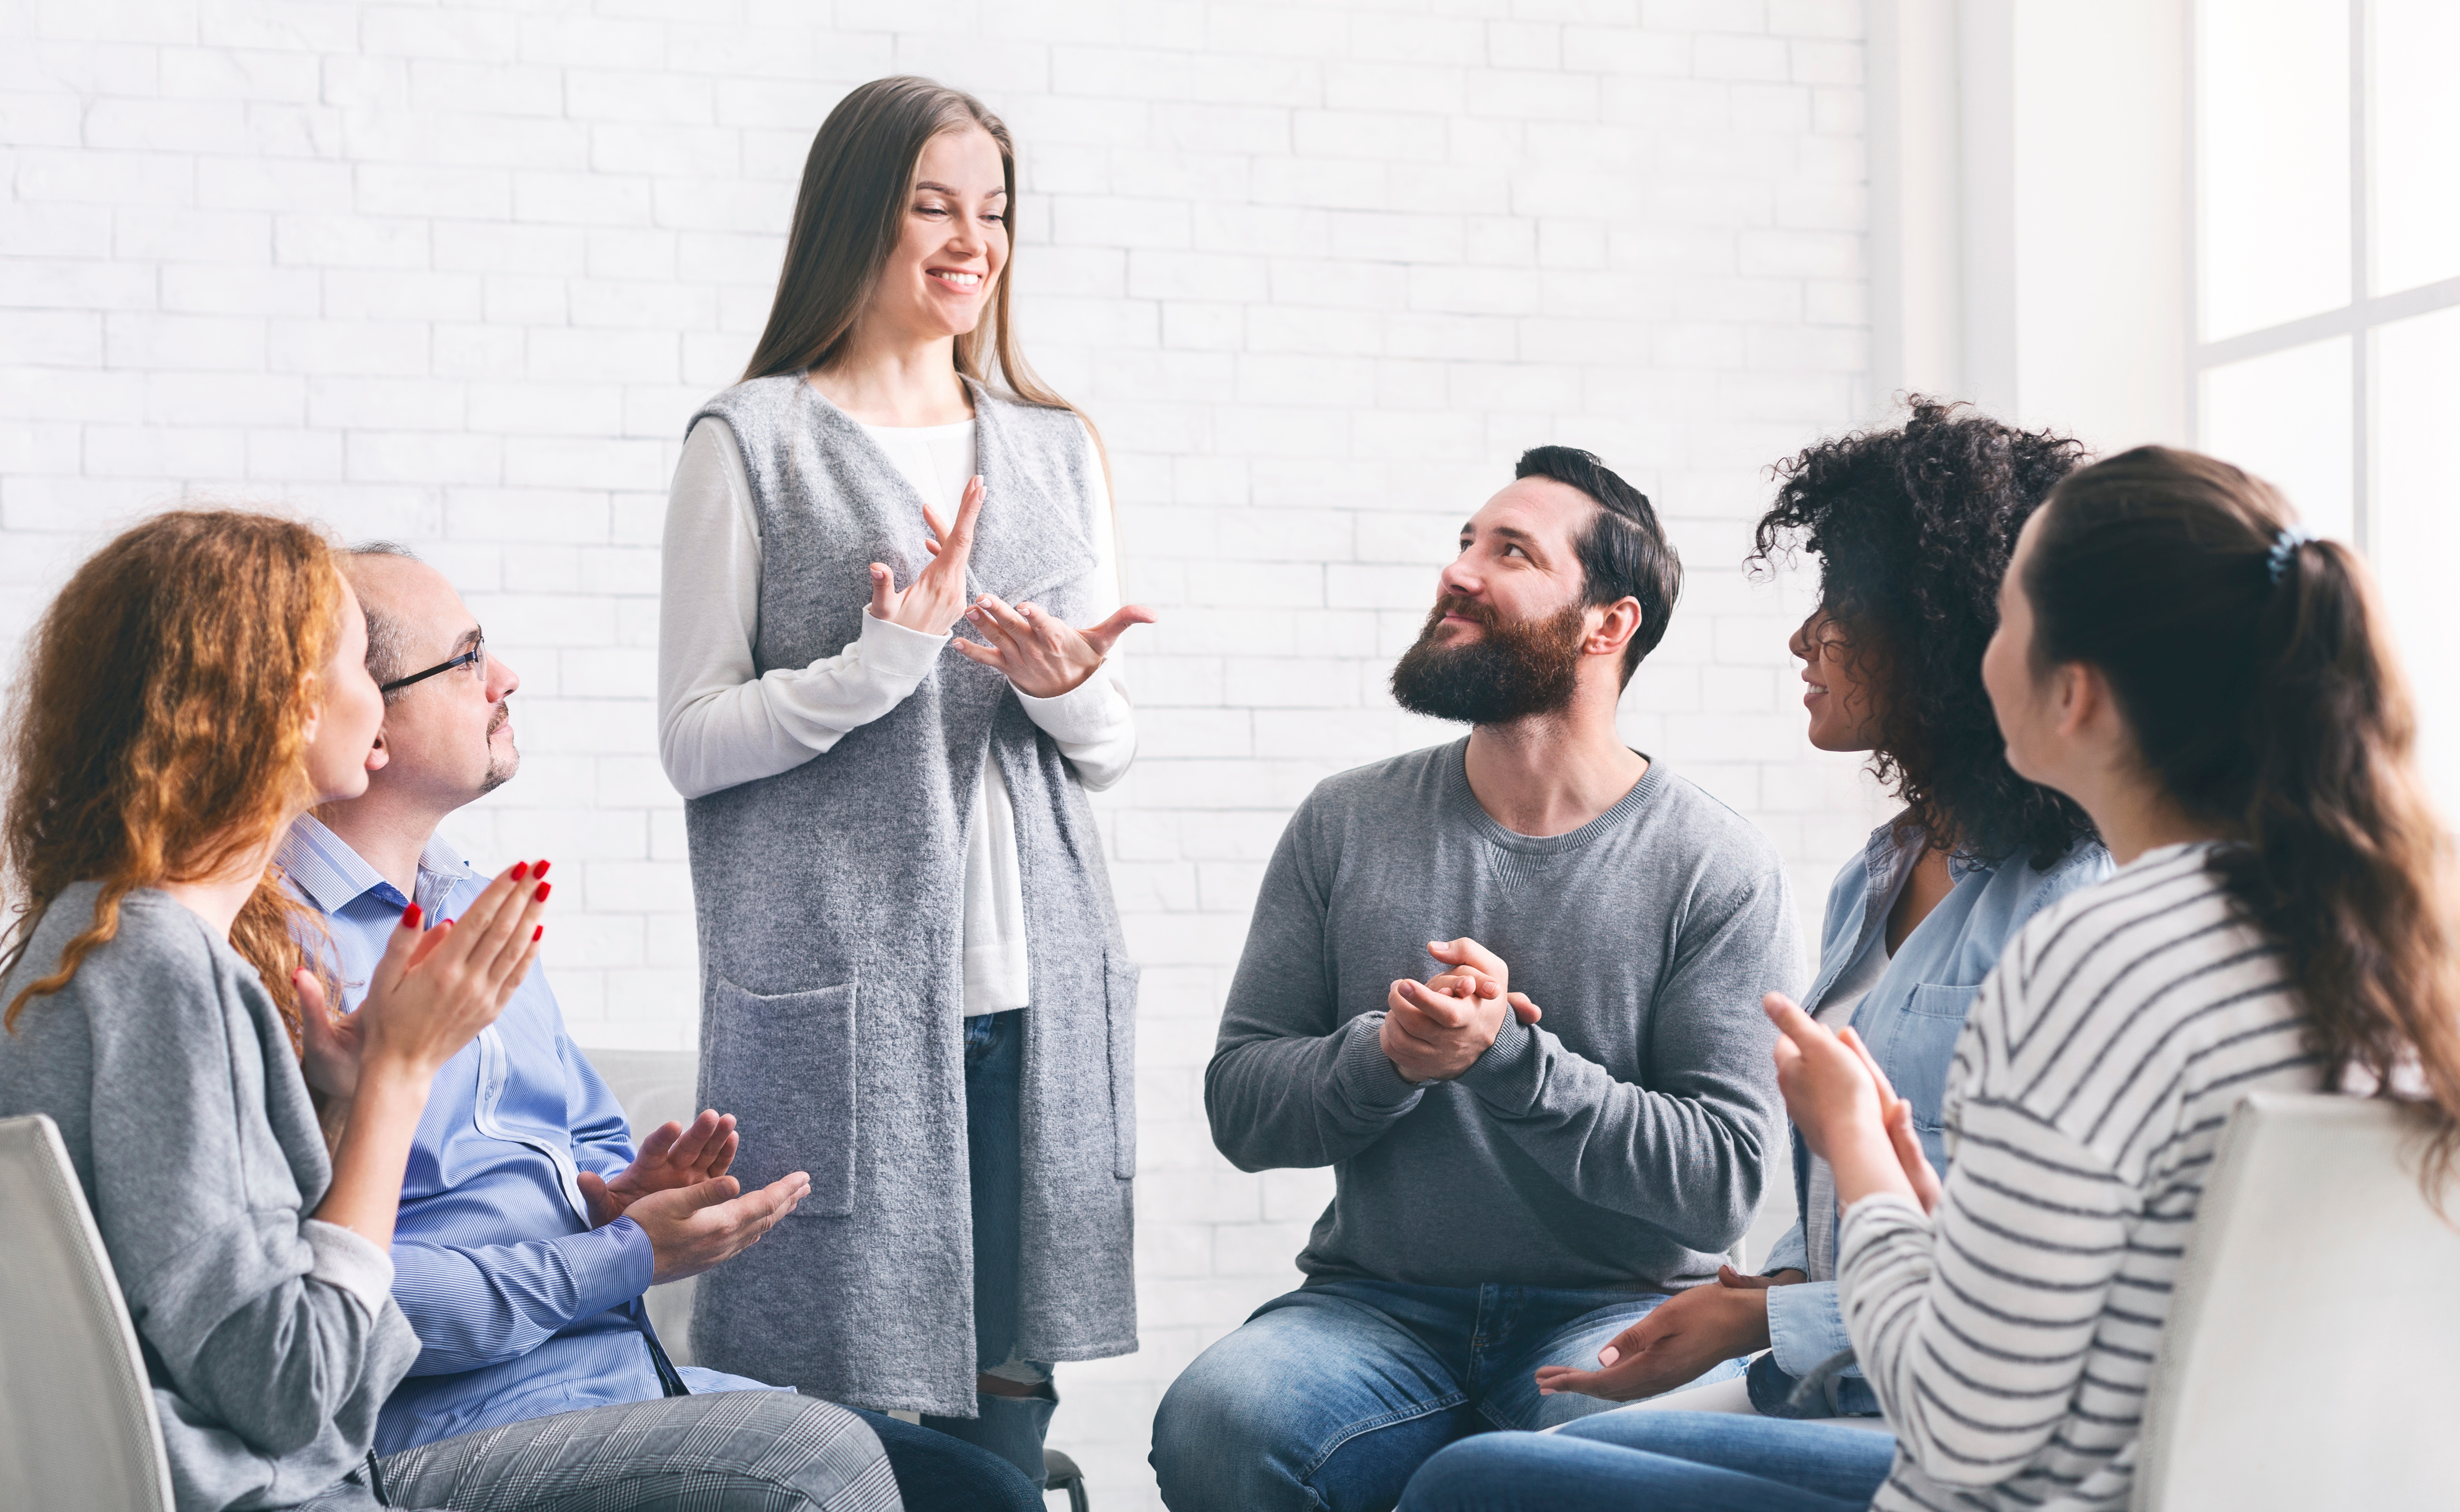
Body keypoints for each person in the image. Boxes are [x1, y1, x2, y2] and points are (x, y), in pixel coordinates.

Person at [1397, 446, 2460, 1510]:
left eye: (2011, 614)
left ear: (2071, 691)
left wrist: (1857, 1151)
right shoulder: (2376, 926)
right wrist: (1792, 1278)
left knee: (1469, 1486)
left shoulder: (2091, 948)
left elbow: (1963, 1424)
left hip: (2008, 1482)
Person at [0, 511, 898, 1512]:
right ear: (278, 705)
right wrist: (396, 1076)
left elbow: (246, 1284)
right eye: (347, 665)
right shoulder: (158, 969)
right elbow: (293, 1391)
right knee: (810, 1455)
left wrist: (342, 1101)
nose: (373, 713)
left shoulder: (102, 942)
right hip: (313, 1490)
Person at [290, 545, 1033, 1510]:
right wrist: (621, 1254)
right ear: (366, 722)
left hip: (624, 1382)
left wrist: (616, 1195)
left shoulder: (476, 909)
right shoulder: (284, 959)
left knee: (986, 1494)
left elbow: (585, 1139)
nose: (506, 679)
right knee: (813, 1462)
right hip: (461, 1428)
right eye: (468, 659)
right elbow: (337, 1298)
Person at [1149, 446, 1808, 1512]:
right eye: (1465, 542)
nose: (1458, 571)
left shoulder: (1712, 866)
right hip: (1373, 1309)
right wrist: (1386, 1057)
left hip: (1620, 1310)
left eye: (1509, 552)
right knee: (1220, 1419)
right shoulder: (1343, 822)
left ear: (1606, 624)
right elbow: (1242, 1110)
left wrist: (1509, 1061)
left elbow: (1720, 1178)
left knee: (1588, 1463)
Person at [658, 75, 1151, 1483]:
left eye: (991, 210)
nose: (970, 240)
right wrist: (880, 664)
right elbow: (694, 737)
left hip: (1034, 986)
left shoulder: (1055, 445)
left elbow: (1111, 749)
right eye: (932, 204)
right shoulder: (749, 440)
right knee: (855, 1405)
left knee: (1012, 1387)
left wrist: (1067, 689)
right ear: (853, 219)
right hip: (844, 988)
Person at [1535, 401, 2109, 1418]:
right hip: (1832, 1382)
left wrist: (1769, 1322)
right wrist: (1760, 1295)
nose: (1804, 638)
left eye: (1838, 605)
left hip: (1943, 1422)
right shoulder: (1873, 876)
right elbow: (1836, 1204)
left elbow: (2036, 1276)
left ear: (1936, 630)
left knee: (1481, 1482)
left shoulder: (2072, 902)